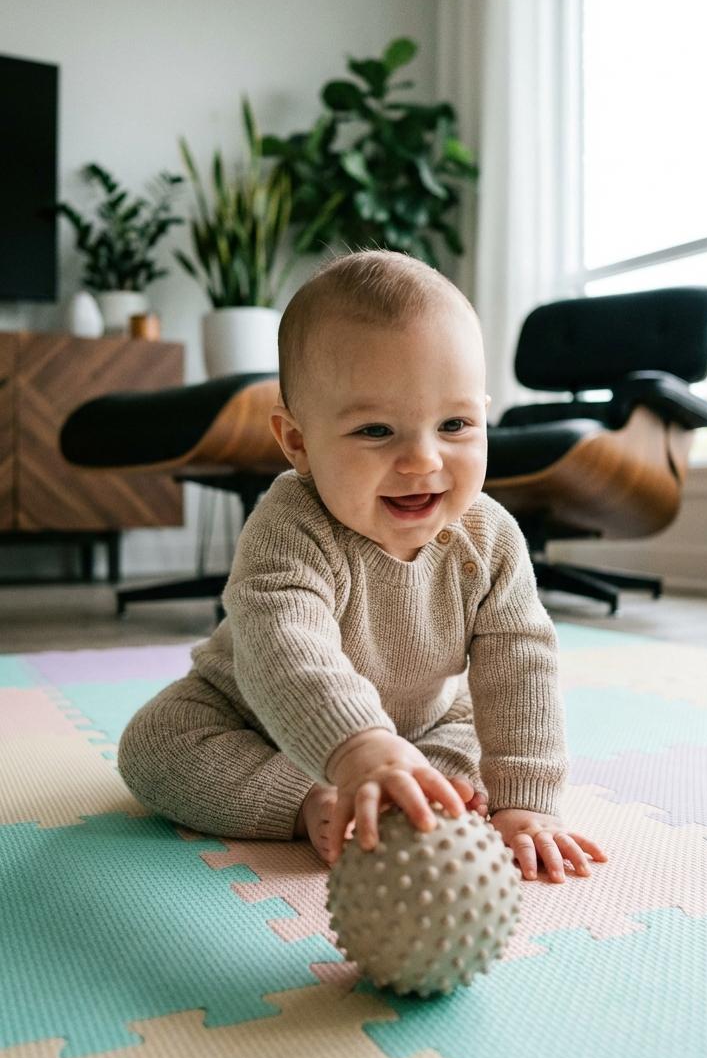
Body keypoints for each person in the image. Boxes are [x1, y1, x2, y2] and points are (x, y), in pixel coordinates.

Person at [118, 250, 607, 883]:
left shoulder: (490, 538)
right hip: (250, 714)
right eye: (376, 431)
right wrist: (358, 747)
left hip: (425, 724)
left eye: (455, 423)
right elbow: (285, 648)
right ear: (297, 442)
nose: (423, 460)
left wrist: (526, 802)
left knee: (472, 743)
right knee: (154, 743)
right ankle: (308, 799)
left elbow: (522, 661)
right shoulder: (291, 525)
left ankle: (404, 792)